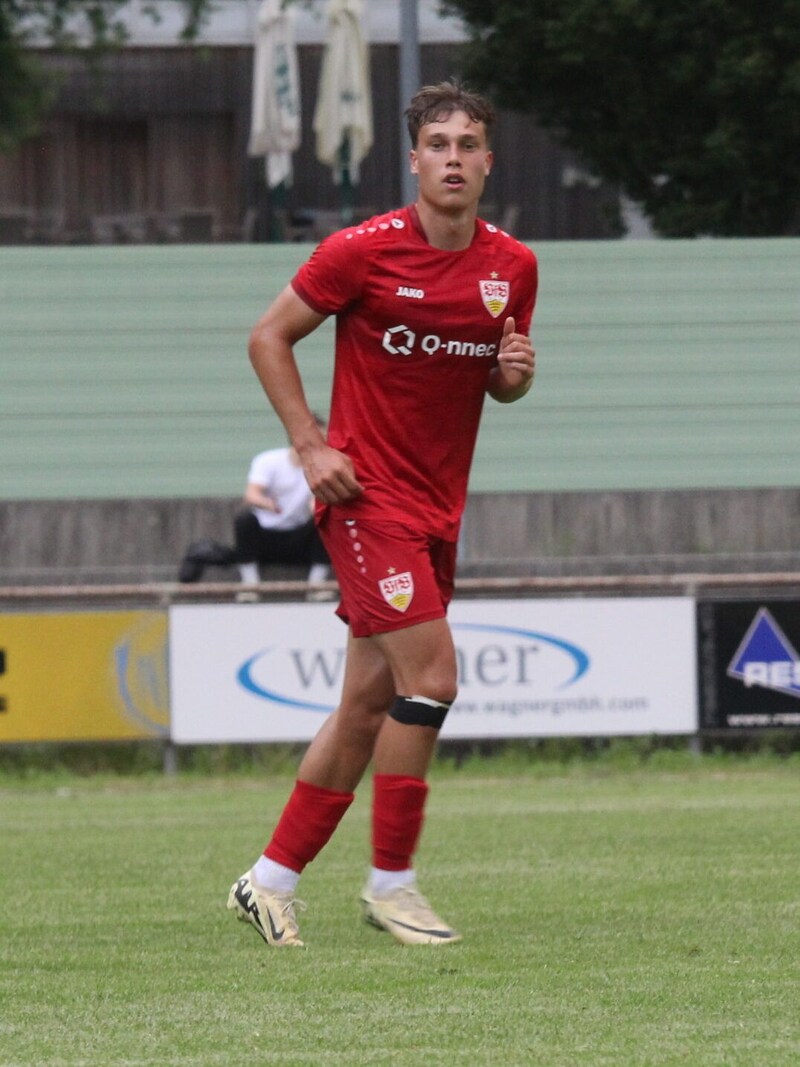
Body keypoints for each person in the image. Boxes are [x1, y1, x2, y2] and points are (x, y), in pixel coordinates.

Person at [227, 81, 537, 947]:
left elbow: (499, 382)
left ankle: (267, 881)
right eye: (437, 142)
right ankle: (392, 885)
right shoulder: (360, 252)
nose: (452, 157)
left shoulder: (512, 266)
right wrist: (310, 445)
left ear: (486, 160)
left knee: (365, 706)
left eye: (468, 143)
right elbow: (267, 335)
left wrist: (515, 374)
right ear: (414, 159)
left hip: (439, 508)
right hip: (365, 502)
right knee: (432, 680)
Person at [234, 414, 331, 589]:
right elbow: (251, 494)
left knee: (325, 522)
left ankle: (317, 585)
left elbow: (316, 503)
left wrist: (316, 507)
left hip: (299, 537)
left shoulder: (321, 468)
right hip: (266, 534)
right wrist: (268, 504)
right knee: (244, 521)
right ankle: (250, 585)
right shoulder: (268, 461)